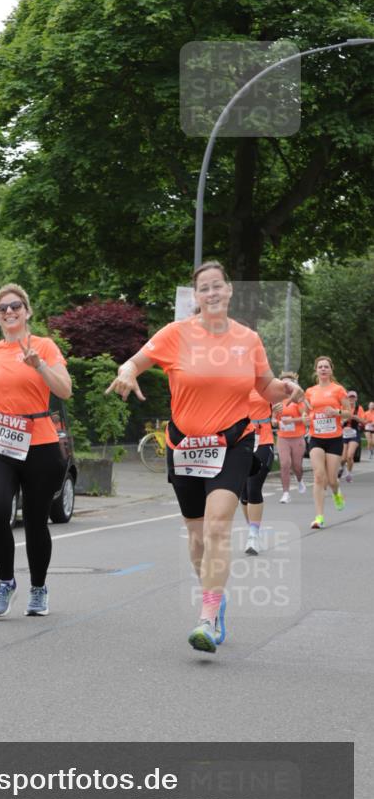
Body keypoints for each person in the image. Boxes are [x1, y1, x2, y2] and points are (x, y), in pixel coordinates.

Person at [106, 261, 304, 655]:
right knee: (196, 537)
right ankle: (215, 597)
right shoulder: (176, 334)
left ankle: (206, 618)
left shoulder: (248, 339)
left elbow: (263, 386)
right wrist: (127, 372)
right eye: (204, 289)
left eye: (218, 286)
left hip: (233, 442)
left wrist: (284, 389)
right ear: (196, 297)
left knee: (216, 528)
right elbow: (136, 361)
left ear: (229, 291)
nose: (212, 294)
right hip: (185, 447)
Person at [0, 284, 72, 618]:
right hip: (1, 440)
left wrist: (39, 365)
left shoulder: (44, 345)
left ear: (27, 311)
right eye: (2, 308)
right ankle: (6, 581)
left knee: (34, 520)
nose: (9, 312)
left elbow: (65, 390)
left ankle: (39, 588)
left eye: (15, 306)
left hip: (39, 442)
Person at [303, 356, 351, 530]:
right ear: (316, 370)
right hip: (316, 437)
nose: (323, 369)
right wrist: (306, 419)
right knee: (318, 476)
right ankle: (319, 517)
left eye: (326, 367)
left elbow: (348, 413)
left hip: (334, 438)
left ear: (331, 370)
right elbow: (305, 414)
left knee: (332, 479)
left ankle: (337, 493)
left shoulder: (338, 390)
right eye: (320, 367)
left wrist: (336, 411)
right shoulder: (310, 391)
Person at [240, 388, 275, 556]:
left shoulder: (267, 384)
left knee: (254, 485)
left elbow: (288, 399)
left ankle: (253, 535)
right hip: (240, 442)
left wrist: (278, 408)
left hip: (263, 440)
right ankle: (252, 530)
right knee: (244, 493)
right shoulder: (234, 383)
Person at [272, 370, 307, 504]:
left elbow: (305, 418)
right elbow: (273, 418)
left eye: (289, 382)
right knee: (285, 464)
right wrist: (274, 421)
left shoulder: (299, 400)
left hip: (297, 437)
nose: (286, 384)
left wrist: (292, 421)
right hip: (283, 437)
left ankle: (299, 480)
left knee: (297, 466)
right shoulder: (277, 400)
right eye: (284, 382)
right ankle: (286, 493)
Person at [339, 391, 365, 482]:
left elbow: (363, 421)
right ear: (347, 399)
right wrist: (343, 420)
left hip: (354, 434)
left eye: (353, 397)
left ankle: (349, 474)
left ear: (356, 399)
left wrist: (354, 417)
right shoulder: (342, 408)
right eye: (350, 397)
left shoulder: (359, 408)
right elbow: (339, 420)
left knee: (350, 456)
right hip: (343, 434)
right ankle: (342, 468)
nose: (351, 399)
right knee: (342, 459)